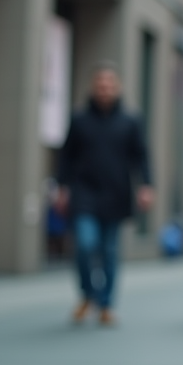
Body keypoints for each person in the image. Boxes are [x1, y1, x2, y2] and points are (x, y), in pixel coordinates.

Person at [56, 64, 153, 326]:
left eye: (109, 85)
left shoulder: (130, 121)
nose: (104, 89)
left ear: (117, 88)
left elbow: (141, 156)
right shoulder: (79, 120)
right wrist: (61, 186)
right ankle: (88, 294)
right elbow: (66, 155)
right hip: (84, 192)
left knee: (109, 250)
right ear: (93, 88)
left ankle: (106, 304)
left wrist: (146, 185)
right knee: (86, 245)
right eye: (100, 84)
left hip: (116, 193)